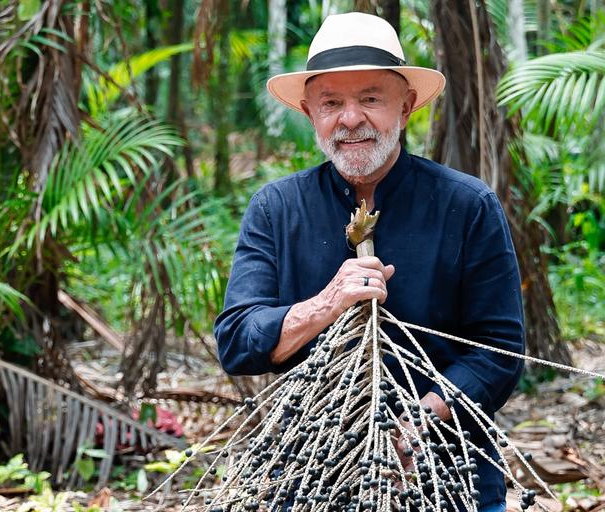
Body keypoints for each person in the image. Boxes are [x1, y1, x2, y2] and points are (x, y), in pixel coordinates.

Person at [213, 12, 524, 512]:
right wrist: (325, 305)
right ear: (309, 112)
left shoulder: (467, 206)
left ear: (407, 107)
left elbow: (500, 352)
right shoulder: (275, 209)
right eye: (331, 102)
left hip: (449, 476)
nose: (350, 118)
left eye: (371, 99)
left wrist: (415, 429)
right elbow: (237, 341)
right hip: (313, 478)